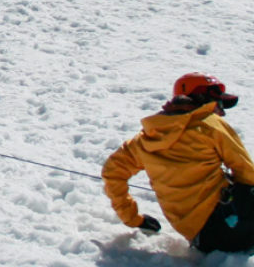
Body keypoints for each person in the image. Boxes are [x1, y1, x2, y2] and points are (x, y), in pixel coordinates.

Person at [102, 73, 254, 253]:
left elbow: (112, 172)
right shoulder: (210, 125)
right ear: (202, 100)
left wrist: (134, 219)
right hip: (233, 221)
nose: (221, 111)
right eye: (218, 104)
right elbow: (248, 174)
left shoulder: (144, 139)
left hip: (204, 239)